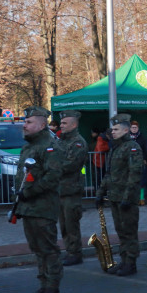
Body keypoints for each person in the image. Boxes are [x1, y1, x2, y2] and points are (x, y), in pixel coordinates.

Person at [16, 107, 64, 293]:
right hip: (29, 207)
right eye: (25, 122)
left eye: (29, 122)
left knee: (48, 249)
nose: (24, 126)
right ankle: (44, 286)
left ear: (42, 125)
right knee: (37, 249)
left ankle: (52, 289)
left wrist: (28, 192)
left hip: (43, 207)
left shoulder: (50, 146)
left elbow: (52, 178)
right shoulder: (29, 146)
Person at [97, 114, 144, 276]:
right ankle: (124, 261)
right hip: (115, 196)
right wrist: (100, 193)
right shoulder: (115, 148)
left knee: (129, 231)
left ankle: (130, 263)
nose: (113, 132)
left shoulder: (132, 147)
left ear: (125, 130)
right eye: (112, 129)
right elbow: (109, 174)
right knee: (121, 231)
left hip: (127, 198)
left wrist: (128, 197)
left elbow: (135, 174)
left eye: (116, 129)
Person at [55, 110, 88, 266]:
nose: (61, 125)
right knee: (63, 224)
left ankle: (75, 253)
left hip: (71, 189)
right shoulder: (61, 141)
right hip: (60, 189)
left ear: (74, 124)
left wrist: (51, 167)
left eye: (64, 123)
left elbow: (70, 165)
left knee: (71, 224)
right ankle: (69, 250)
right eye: (61, 123)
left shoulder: (77, 142)